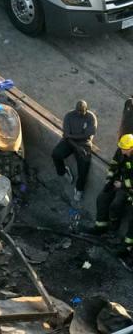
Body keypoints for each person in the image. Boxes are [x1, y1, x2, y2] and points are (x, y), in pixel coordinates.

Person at [94, 134, 133, 265]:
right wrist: (109, 179)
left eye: (125, 149)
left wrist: (122, 186)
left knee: (116, 204)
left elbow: (130, 180)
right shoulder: (121, 150)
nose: (122, 151)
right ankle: (100, 226)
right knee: (102, 198)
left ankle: (114, 231)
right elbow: (114, 164)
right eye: (121, 148)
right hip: (118, 181)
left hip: (127, 187)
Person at [52, 100, 97, 201]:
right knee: (56, 154)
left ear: (86, 109)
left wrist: (71, 136)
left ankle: (79, 188)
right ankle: (63, 171)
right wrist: (77, 146)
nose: (79, 113)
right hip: (71, 142)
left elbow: (88, 135)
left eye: (82, 111)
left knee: (84, 166)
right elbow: (66, 136)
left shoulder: (91, 118)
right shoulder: (69, 116)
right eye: (78, 111)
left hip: (84, 144)